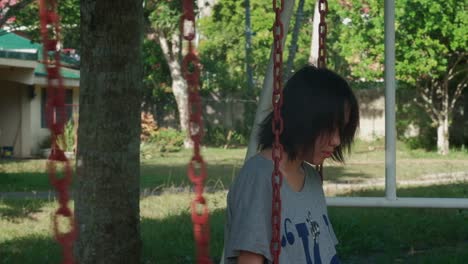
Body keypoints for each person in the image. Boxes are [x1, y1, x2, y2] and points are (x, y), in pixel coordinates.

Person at [223, 65, 360, 264]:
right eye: (330, 128)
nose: (337, 140)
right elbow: (249, 260)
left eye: (341, 129)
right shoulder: (259, 177)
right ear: (303, 119)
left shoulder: (311, 177)